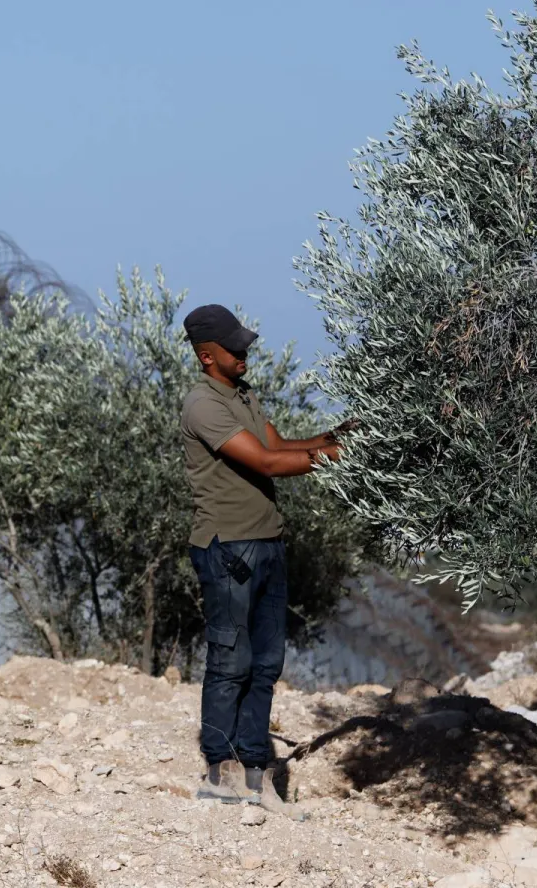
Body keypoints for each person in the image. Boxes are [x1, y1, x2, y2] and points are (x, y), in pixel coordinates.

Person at [178, 303, 353, 805]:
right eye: (234, 348)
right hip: (227, 549)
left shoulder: (243, 395)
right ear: (206, 356)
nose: (245, 352)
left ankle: (257, 772)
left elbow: (283, 443)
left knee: (266, 662)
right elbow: (269, 463)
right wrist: (335, 457)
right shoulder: (203, 405)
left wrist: (341, 437)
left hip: (268, 544)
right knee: (231, 659)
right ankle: (220, 771)